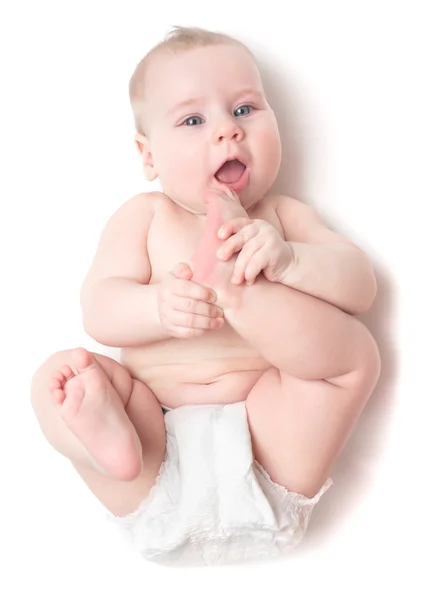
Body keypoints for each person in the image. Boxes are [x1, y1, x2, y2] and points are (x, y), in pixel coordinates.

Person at [30, 26, 381, 566]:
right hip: (153, 450)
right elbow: (97, 308)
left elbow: (360, 285)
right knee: (61, 375)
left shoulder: (281, 218)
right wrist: (155, 308)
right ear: (148, 156)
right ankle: (107, 441)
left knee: (355, 354)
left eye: (245, 110)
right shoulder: (145, 216)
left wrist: (289, 260)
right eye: (194, 120)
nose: (227, 133)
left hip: (272, 449)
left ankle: (244, 300)